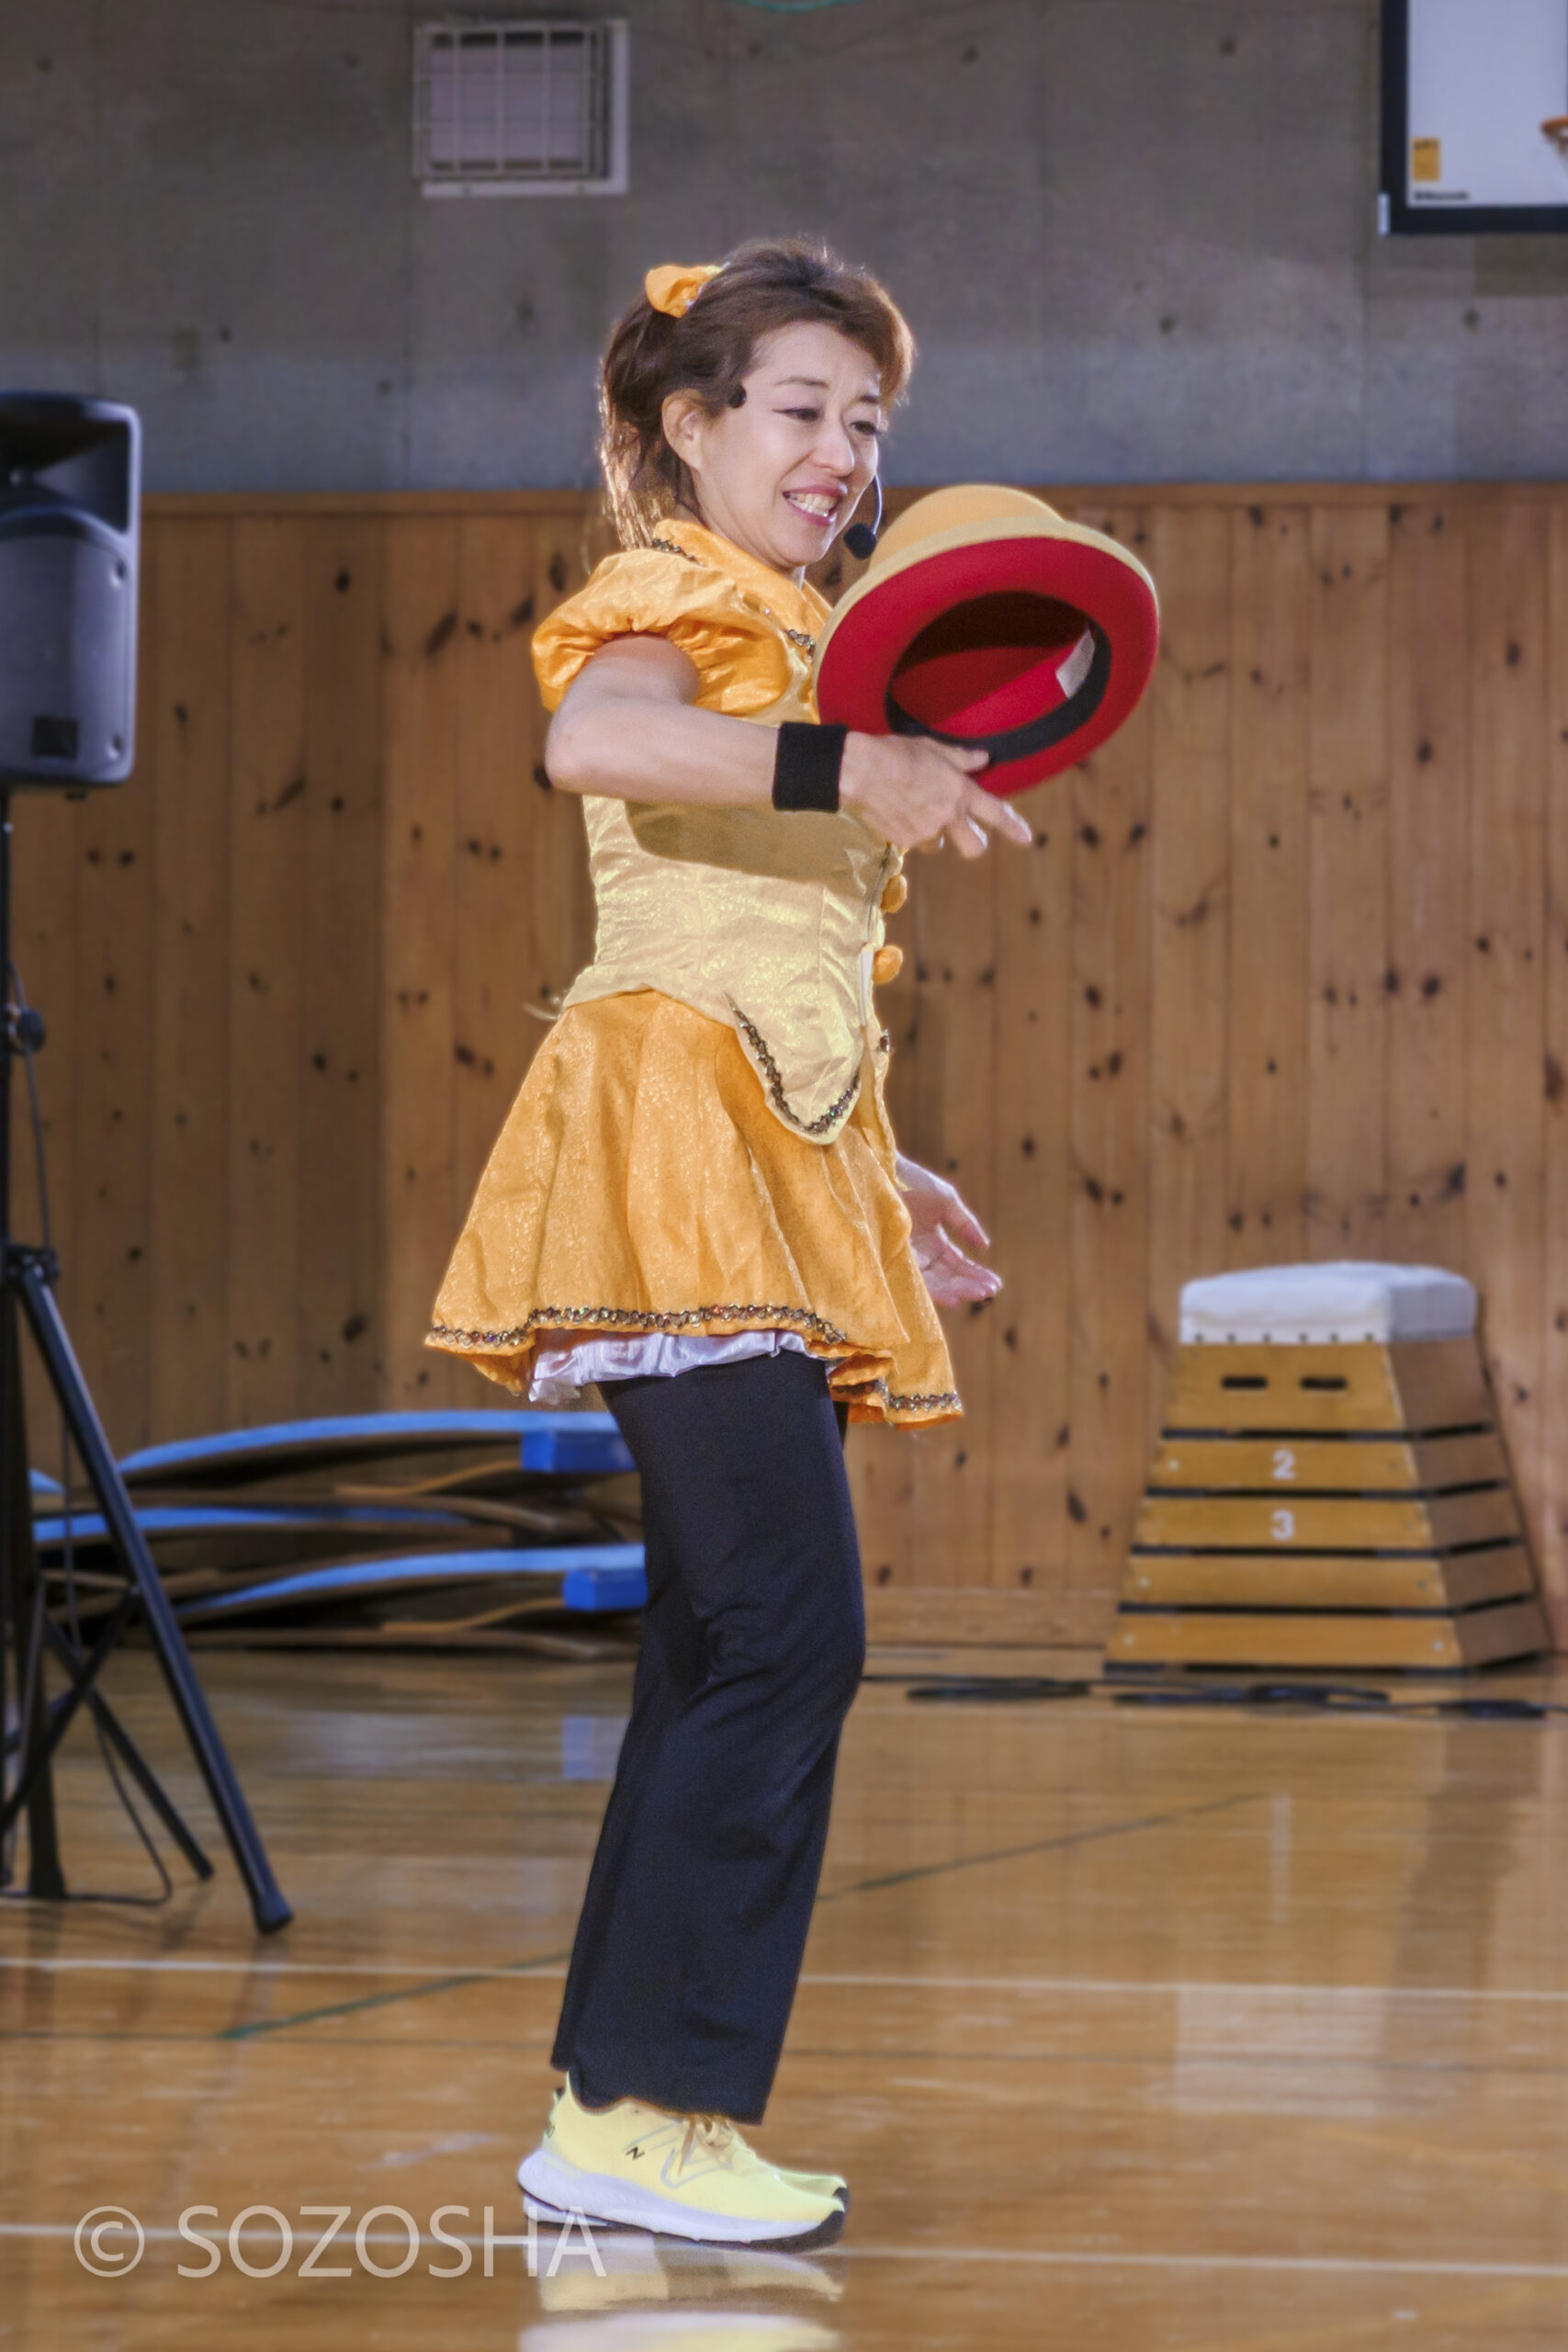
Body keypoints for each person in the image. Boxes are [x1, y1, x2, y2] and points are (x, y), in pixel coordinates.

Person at [428, 239, 1031, 2250]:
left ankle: (618, 2108)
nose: (840, 454)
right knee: (787, 1629)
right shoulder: (676, 598)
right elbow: (595, 746)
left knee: (717, 1637)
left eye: (866, 422)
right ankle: (652, 2110)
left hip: (764, 1150)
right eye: (798, 410)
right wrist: (849, 765)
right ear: (687, 425)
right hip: (669, 1140)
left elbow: (771, 947)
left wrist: (888, 1155)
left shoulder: (804, 625)